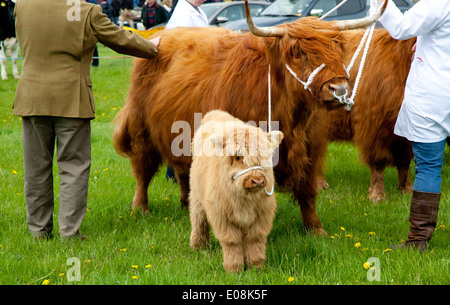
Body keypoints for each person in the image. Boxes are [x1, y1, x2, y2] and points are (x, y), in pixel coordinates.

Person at [13, 0, 161, 241]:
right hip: (71, 99)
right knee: (73, 167)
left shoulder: (23, 6)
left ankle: (39, 230)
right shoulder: (87, 12)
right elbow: (120, 39)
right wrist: (151, 46)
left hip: (31, 98)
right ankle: (69, 233)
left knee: (35, 167)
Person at [378, 0, 450, 252]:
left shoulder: (439, 2)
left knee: (429, 166)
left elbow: (399, 27)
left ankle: (418, 240)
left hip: (436, 95)